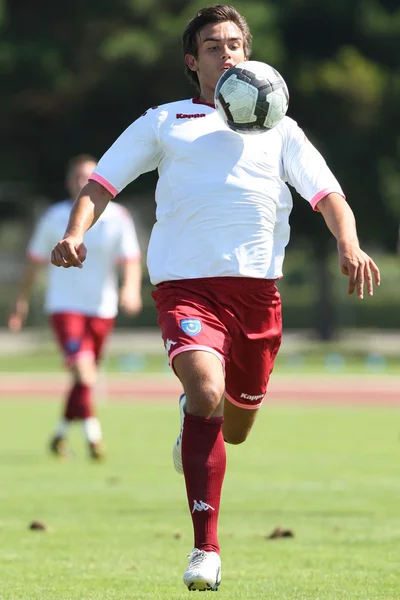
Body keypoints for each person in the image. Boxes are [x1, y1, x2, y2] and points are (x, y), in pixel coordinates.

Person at [49, 4, 380, 590]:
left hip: (257, 295)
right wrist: (76, 233)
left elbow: (329, 195)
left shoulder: (282, 127)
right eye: (211, 46)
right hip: (186, 287)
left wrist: (348, 246)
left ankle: (195, 421)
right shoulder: (165, 121)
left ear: (248, 53)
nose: (225, 53)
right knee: (206, 391)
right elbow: (103, 182)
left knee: (236, 426)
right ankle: (206, 550)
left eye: (234, 43)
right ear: (191, 61)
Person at [9, 154, 143, 461]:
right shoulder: (54, 217)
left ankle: (59, 435)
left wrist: (131, 289)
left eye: (89, 176)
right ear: (69, 182)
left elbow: (131, 259)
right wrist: (22, 302)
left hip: (102, 309)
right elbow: (34, 263)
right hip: (65, 307)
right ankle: (93, 437)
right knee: (85, 375)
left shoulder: (118, 217)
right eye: (78, 177)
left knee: (86, 377)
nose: (83, 182)